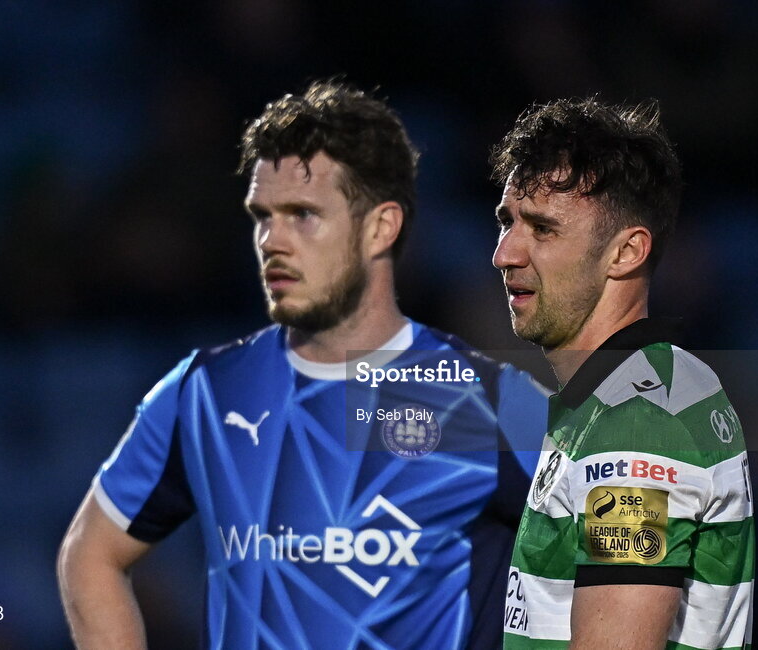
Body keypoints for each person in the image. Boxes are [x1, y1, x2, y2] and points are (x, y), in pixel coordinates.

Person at [57, 80, 549, 649]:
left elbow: (630, 556)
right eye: (262, 215)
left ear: (381, 227)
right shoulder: (205, 393)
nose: (272, 240)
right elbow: (90, 557)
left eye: (303, 215)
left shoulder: (485, 399)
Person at [491, 98, 754, 649]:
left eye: (543, 228)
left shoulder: (637, 433)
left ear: (627, 252)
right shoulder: (647, 391)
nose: (505, 253)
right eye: (507, 221)